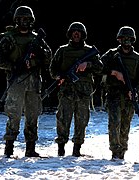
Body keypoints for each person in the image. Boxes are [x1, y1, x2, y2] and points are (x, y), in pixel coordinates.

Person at [0, 6, 52, 157]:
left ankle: (30, 149)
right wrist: (13, 66)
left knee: (33, 115)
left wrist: (38, 56)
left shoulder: (36, 39)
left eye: (28, 19)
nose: (25, 22)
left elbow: (48, 58)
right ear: (17, 20)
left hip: (34, 82)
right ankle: (9, 149)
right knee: (14, 115)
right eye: (22, 19)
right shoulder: (9, 38)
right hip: (16, 82)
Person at [49, 22, 103, 157]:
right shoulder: (62, 50)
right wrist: (58, 76)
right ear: (70, 34)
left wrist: (88, 64)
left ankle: (77, 149)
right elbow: (52, 68)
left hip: (84, 92)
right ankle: (61, 148)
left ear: (83, 35)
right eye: (74, 32)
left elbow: (100, 68)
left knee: (82, 120)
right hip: (66, 91)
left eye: (79, 32)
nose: (76, 34)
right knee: (62, 119)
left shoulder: (89, 51)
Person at [100, 26, 139, 160]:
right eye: (124, 39)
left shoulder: (137, 58)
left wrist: (135, 90)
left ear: (133, 40)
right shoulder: (111, 54)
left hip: (129, 96)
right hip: (114, 94)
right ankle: (115, 151)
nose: (126, 42)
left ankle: (122, 152)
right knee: (114, 124)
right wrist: (113, 73)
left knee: (125, 125)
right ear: (119, 39)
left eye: (129, 39)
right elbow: (98, 67)